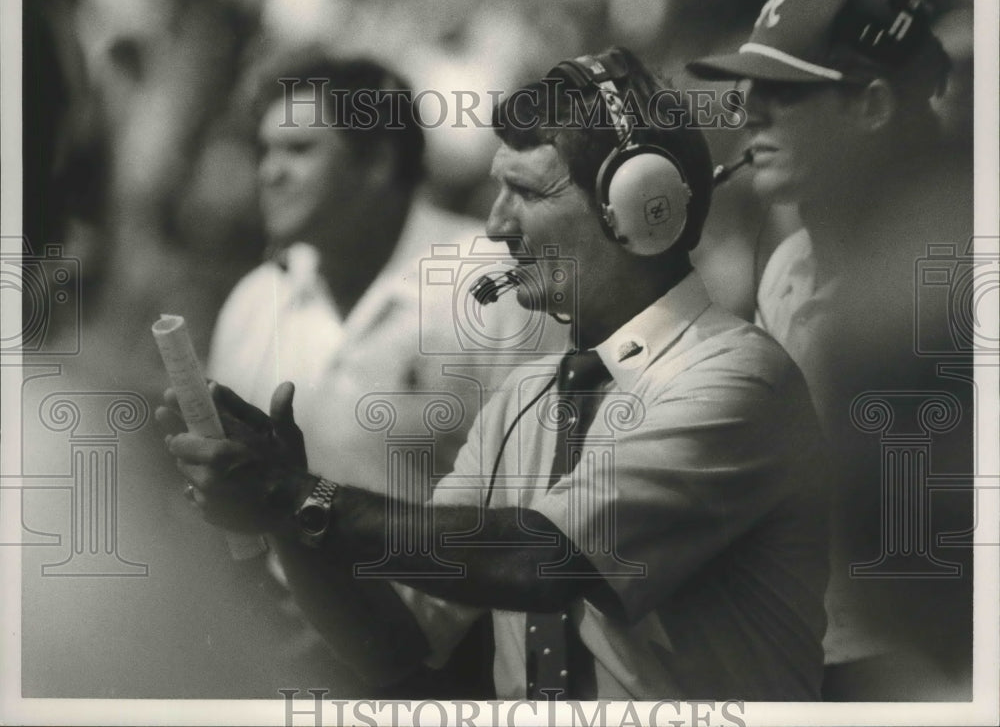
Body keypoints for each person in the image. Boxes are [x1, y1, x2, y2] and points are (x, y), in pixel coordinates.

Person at [161, 46, 830, 700]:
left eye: (526, 193)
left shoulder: (739, 377)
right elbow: (392, 645)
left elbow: (537, 560)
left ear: (635, 208)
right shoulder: (525, 396)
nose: (495, 226)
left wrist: (295, 494)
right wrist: (284, 516)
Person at [207, 48, 554, 696]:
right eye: (265, 150)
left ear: (379, 162)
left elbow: (531, 526)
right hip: (286, 663)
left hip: (466, 673)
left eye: (300, 150)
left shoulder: (499, 286)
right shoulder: (253, 302)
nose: (269, 173)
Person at [687, 0, 974, 699]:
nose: (751, 112)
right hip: (816, 652)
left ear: (872, 104)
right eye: (749, 90)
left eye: (784, 91)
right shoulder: (788, 266)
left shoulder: (963, 280)